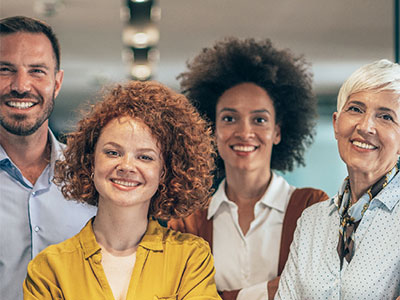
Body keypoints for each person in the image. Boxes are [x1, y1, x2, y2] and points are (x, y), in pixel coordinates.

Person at [23, 80, 221, 299]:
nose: (126, 166)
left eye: (145, 157)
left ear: (164, 172)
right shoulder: (49, 269)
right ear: (90, 161)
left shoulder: (190, 258)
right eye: (113, 153)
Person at [168, 37, 328, 300]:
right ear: (212, 130)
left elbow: (315, 291)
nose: (244, 132)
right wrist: (268, 290)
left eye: (259, 120)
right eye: (229, 118)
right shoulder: (188, 221)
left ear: (277, 131)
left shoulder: (312, 208)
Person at [276, 59, 400, 299]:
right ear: (336, 123)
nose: (366, 126)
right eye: (355, 109)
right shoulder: (312, 221)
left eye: (385, 117)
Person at [0, 16, 96, 299]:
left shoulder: (93, 179)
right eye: (5, 70)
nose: (21, 85)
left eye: (37, 71)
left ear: (57, 82)